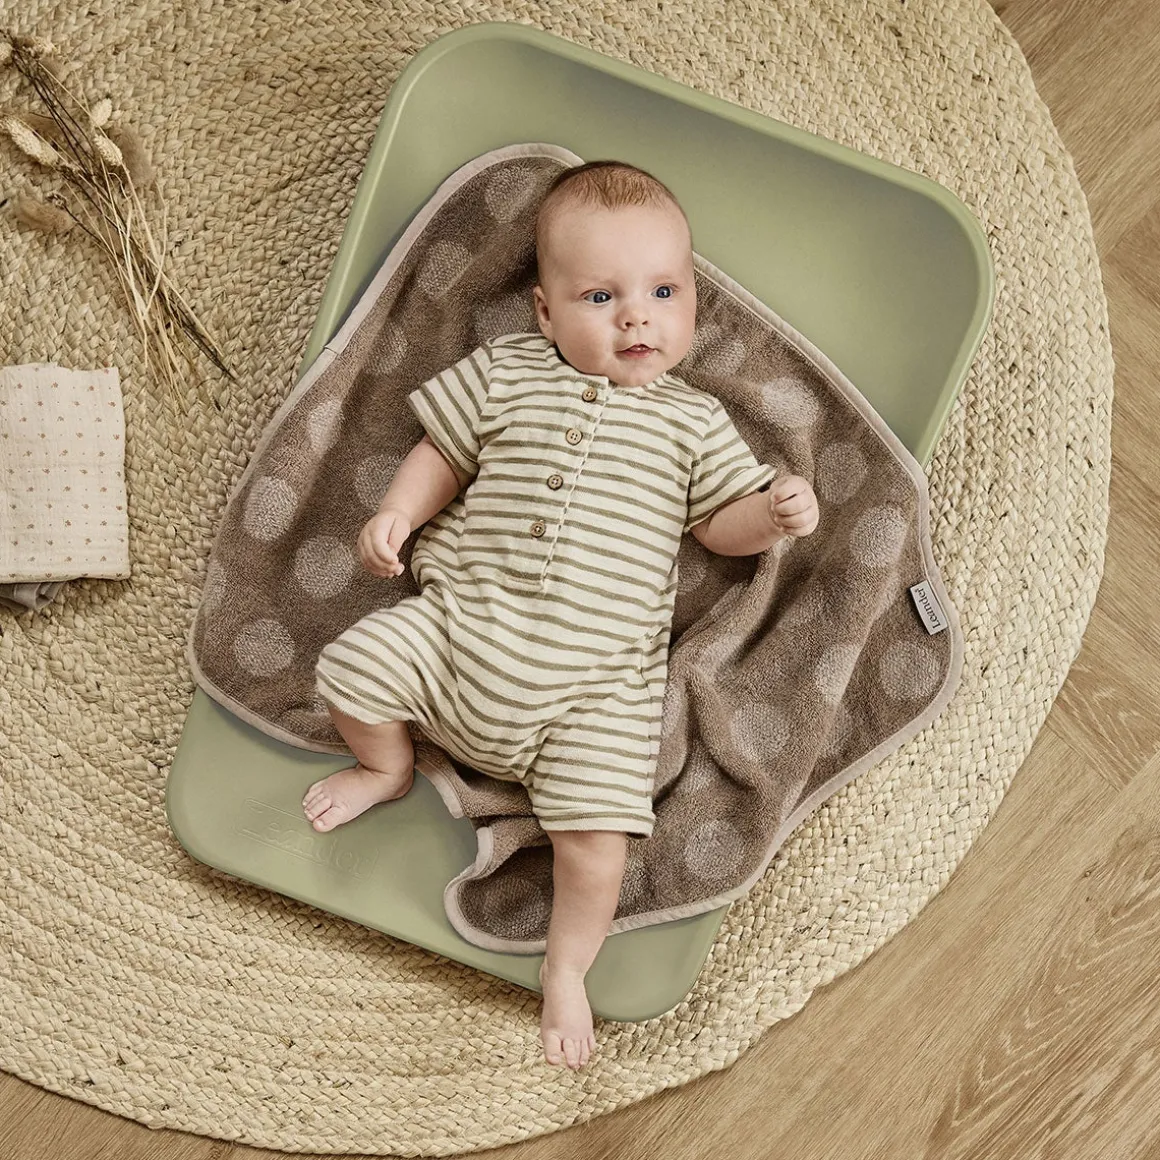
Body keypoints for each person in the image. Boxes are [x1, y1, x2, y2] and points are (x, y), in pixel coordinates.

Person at [303, 160, 820, 1070]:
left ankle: (567, 965)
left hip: (591, 694)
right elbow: (442, 452)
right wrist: (397, 513)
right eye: (601, 296)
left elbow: (720, 527)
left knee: (598, 844)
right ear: (545, 314)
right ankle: (385, 767)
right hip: (461, 632)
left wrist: (770, 517)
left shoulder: (694, 423)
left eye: (664, 292)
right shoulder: (508, 370)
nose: (636, 319)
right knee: (352, 666)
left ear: (693, 303)